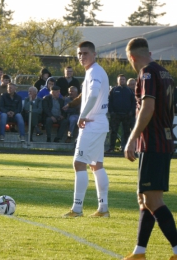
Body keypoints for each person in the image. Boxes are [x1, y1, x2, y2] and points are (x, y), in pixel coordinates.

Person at [123, 38, 177, 260]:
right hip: (160, 141)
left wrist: (132, 138)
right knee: (143, 198)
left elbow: (148, 106)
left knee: (153, 200)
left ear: (132, 57)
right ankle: (139, 251)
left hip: (153, 142)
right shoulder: (166, 74)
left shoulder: (146, 73)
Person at [63, 41, 110, 218]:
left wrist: (82, 114)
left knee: (78, 163)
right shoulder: (93, 71)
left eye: (85, 53)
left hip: (92, 123)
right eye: (79, 54)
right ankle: (103, 208)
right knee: (96, 165)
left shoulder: (95, 71)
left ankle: (77, 209)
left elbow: (94, 94)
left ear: (94, 54)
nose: (82, 56)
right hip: (99, 122)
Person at [106, 74, 135, 152]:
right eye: (120, 79)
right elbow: (109, 101)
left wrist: (131, 112)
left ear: (125, 81)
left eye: (123, 79)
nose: (122, 81)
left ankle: (125, 148)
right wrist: (111, 111)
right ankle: (111, 147)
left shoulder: (129, 90)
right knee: (113, 131)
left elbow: (133, 102)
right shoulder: (113, 90)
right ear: (117, 81)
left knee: (126, 132)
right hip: (115, 115)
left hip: (126, 115)